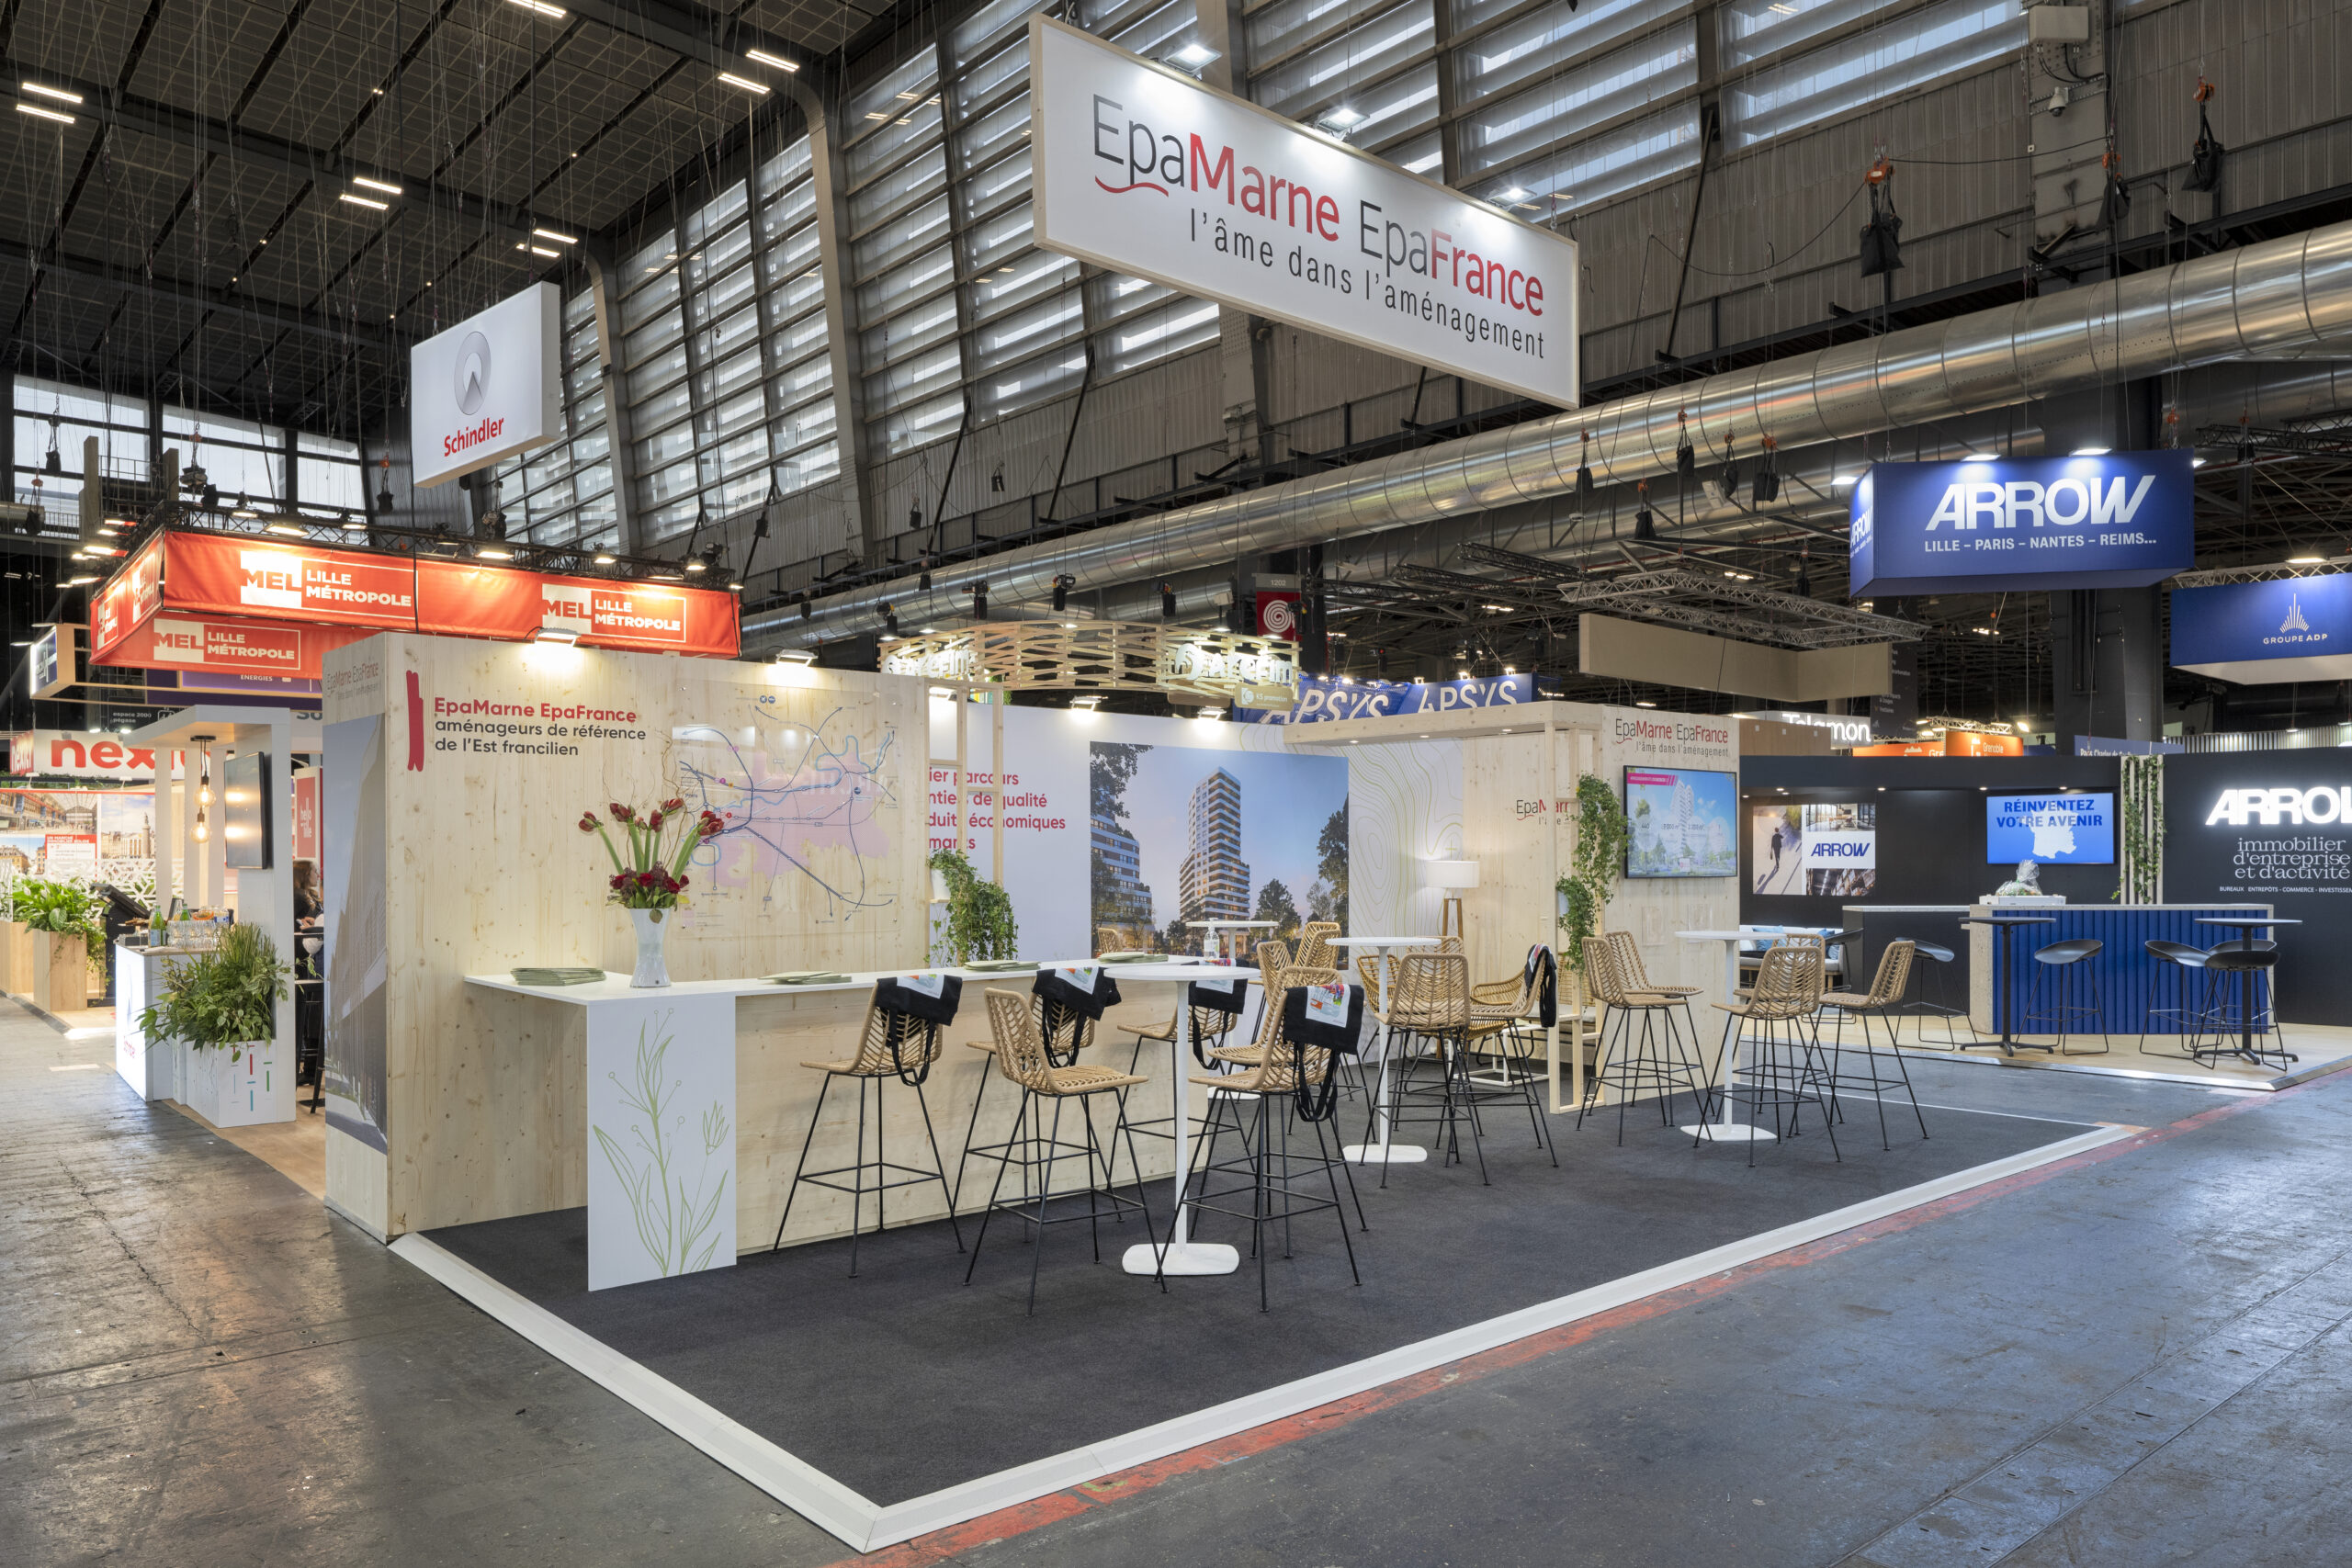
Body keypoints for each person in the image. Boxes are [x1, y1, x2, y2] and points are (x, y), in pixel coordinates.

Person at [293, 858, 324, 926]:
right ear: (306, 874)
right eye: (315, 871)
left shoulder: (311, 894)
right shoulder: (298, 896)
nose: (318, 876)